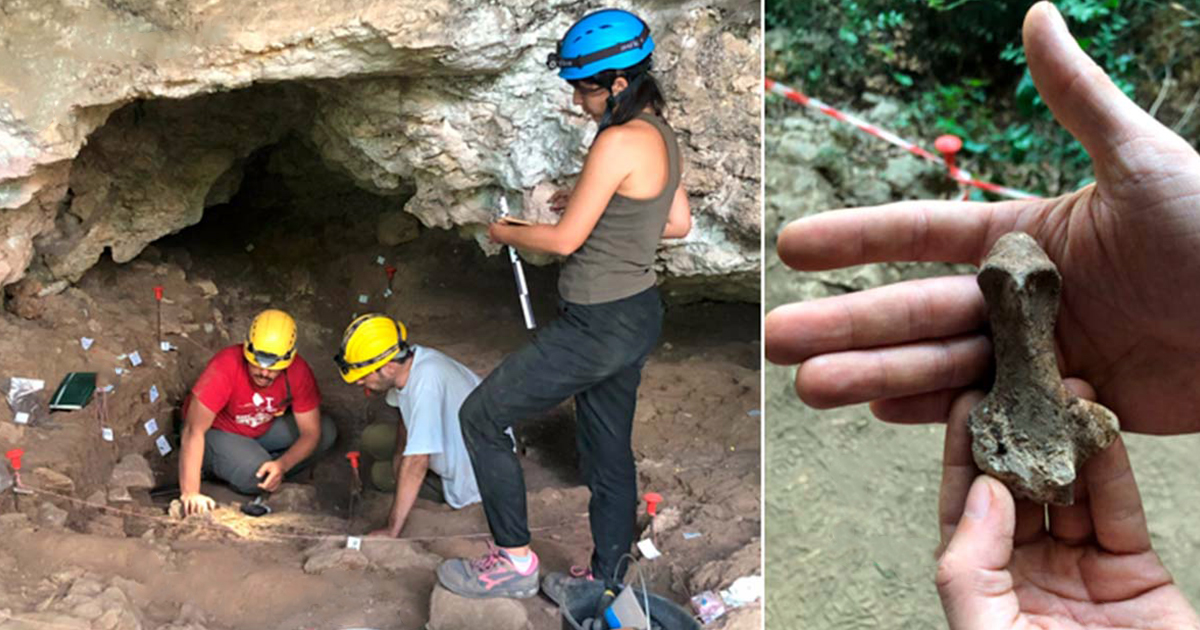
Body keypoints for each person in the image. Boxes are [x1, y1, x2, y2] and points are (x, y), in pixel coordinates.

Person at [764, 2, 1200, 626]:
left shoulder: (1035, 398)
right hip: (1024, 421)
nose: (1022, 301)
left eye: (1032, 289)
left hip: (1036, 421)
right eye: (1007, 289)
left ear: (1048, 293)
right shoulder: (1001, 410)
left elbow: (1087, 422)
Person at [435, 7, 692, 601]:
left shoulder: (618, 140)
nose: (579, 101)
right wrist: (593, 201)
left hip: (595, 324)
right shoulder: (660, 132)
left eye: (585, 90)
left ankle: (514, 560)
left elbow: (562, 241)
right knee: (606, 450)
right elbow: (675, 221)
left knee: (480, 415)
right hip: (638, 313)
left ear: (619, 84)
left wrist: (506, 232)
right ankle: (607, 577)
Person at [334, 313, 511, 537]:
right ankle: (415, 483)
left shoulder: (426, 382)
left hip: (476, 473)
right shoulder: (410, 362)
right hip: (455, 442)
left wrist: (392, 529)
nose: (359, 382)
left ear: (388, 367)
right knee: (376, 442)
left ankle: (429, 492)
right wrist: (399, 468)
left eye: (363, 375)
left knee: (382, 475)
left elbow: (418, 460)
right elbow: (404, 424)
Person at [178, 309, 336, 515]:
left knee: (326, 432)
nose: (263, 372)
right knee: (258, 477)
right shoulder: (226, 365)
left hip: (261, 428)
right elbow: (193, 430)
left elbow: (311, 433)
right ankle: (226, 464)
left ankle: (251, 462)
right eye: (257, 363)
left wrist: (282, 465)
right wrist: (191, 492)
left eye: (273, 368)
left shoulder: (298, 371)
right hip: (217, 432)